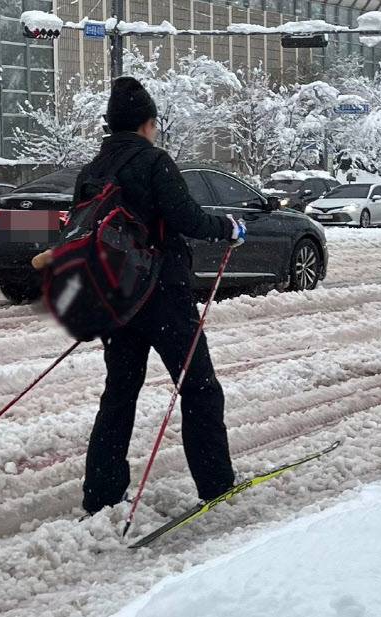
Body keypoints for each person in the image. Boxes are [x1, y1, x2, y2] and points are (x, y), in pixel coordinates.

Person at [33, 77, 245, 515]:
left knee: (119, 392)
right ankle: (216, 483)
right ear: (148, 123)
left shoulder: (92, 170)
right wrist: (229, 228)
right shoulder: (154, 162)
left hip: (116, 299)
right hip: (163, 294)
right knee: (199, 387)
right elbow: (185, 218)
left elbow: (77, 229)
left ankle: (102, 494)